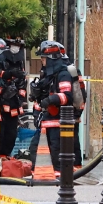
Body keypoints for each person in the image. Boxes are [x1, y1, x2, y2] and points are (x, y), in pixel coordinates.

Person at [31, 41, 75, 177]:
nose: (42, 61)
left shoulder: (63, 74)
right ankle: (41, 175)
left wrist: (50, 100)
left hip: (58, 123)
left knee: (56, 152)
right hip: (46, 122)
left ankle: (58, 177)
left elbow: (67, 96)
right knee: (34, 148)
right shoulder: (48, 76)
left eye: (44, 58)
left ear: (52, 59)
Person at [0, 39, 28, 159]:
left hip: (14, 105)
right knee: (0, 132)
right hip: (0, 105)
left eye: (18, 46)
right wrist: (7, 75)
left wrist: (21, 98)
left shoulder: (20, 63)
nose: (15, 48)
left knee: (11, 134)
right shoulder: (0, 60)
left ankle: (6, 155)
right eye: (13, 45)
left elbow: (22, 85)